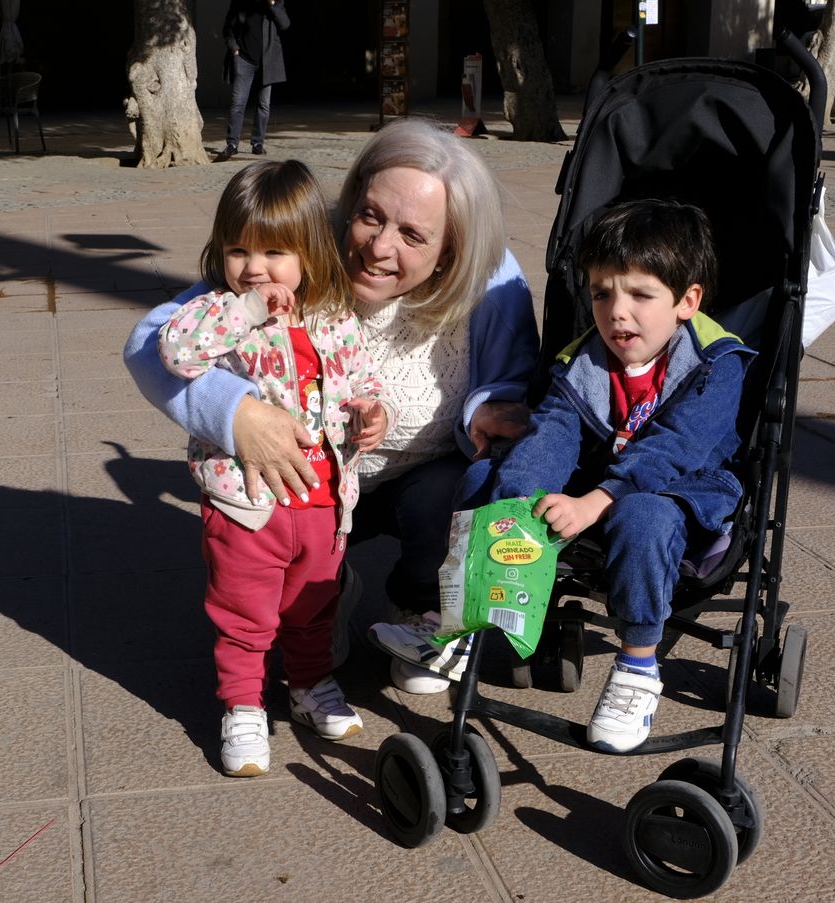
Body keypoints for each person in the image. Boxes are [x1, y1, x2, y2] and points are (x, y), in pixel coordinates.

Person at [125, 119, 540, 696]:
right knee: (287, 590)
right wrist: (236, 412)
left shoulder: (492, 282)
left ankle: (419, 603)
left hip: (416, 478)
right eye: (370, 215)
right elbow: (151, 344)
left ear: (452, 249)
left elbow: (509, 384)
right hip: (310, 482)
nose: (378, 247)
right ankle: (324, 587)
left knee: (452, 488)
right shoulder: (298, 249)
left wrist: (486, 408)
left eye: (413, 236)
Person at [446, 199, 754, 752]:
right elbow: (554, 432)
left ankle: (638, 665)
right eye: (601, 293)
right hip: (595, 483)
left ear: (687, 302)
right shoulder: (585, 360)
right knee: (485, 481)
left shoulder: (714, 364)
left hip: (686, 492)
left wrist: (598, 499)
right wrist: (519, 501)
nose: (616, 312)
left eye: (640, 294)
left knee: (642, 513)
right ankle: (461, 613)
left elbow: (675, 449)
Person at [157, 160, 389, 777]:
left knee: (314, 604)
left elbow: (359, 381)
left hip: (321, 501)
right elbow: (175, 352)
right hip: (245, 503)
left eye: (274, 253)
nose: (253, 268)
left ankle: (310, 686)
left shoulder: (334, 318)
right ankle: (241, 705)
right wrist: (248, 308)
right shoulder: (219, 315)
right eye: (238, 251)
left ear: (310, 254)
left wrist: (371, 412)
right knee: (244, 613)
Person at [218, 0, 290, 162]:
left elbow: (285, 24)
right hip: (244, 60)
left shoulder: (276, 4)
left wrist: (272, 5)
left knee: (264, 105)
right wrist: (234, 48)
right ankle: (232, 144)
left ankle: (257, 143)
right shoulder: (240, 3)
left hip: (267, 62)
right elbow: (228, 28)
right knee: (238, 103)